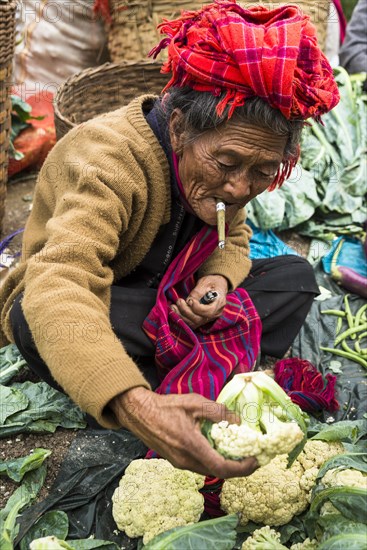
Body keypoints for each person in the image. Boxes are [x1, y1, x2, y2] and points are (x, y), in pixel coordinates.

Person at [0, 1, 339, 478]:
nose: (241, 188)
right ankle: (146, 385)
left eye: (263, 172)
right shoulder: (109, 160)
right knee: (36, 319)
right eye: (227, 165)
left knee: (295, 278)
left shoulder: (232, 167)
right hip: (106, 297)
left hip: (170, 305)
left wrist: (216, 283)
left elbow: (233, 234)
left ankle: (172, 365)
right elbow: (63, 281)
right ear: (179, 128)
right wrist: (134, 405)